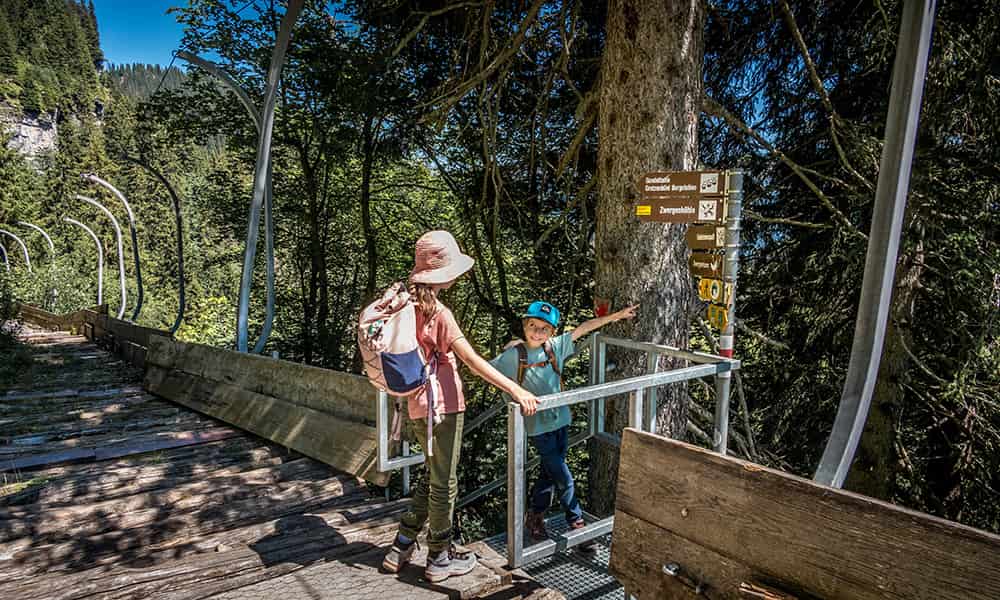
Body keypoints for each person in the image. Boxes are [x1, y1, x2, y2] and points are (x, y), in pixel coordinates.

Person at [382, 230, 540, 582]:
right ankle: (439, 557)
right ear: (443, 272)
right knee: (444, 484)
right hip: (442, 407)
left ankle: (402, 543)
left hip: (414, 405)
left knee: (433, 474)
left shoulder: (404, 302)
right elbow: (471, 361)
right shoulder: (438, 312)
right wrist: (515, 388)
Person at [490, 299, 638, 551]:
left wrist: (616, 316)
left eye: (544, 328)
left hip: (561, 420)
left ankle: (535, 516)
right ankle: (577, 524)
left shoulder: (554, 347)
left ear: (552, 332)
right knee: (564, 476)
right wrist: (514, 391)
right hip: (538, 427)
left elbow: (584, 328)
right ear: (524, 325)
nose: (537, 332)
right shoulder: (514, 355)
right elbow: (486, 370)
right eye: (533, 325)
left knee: (549, 473)